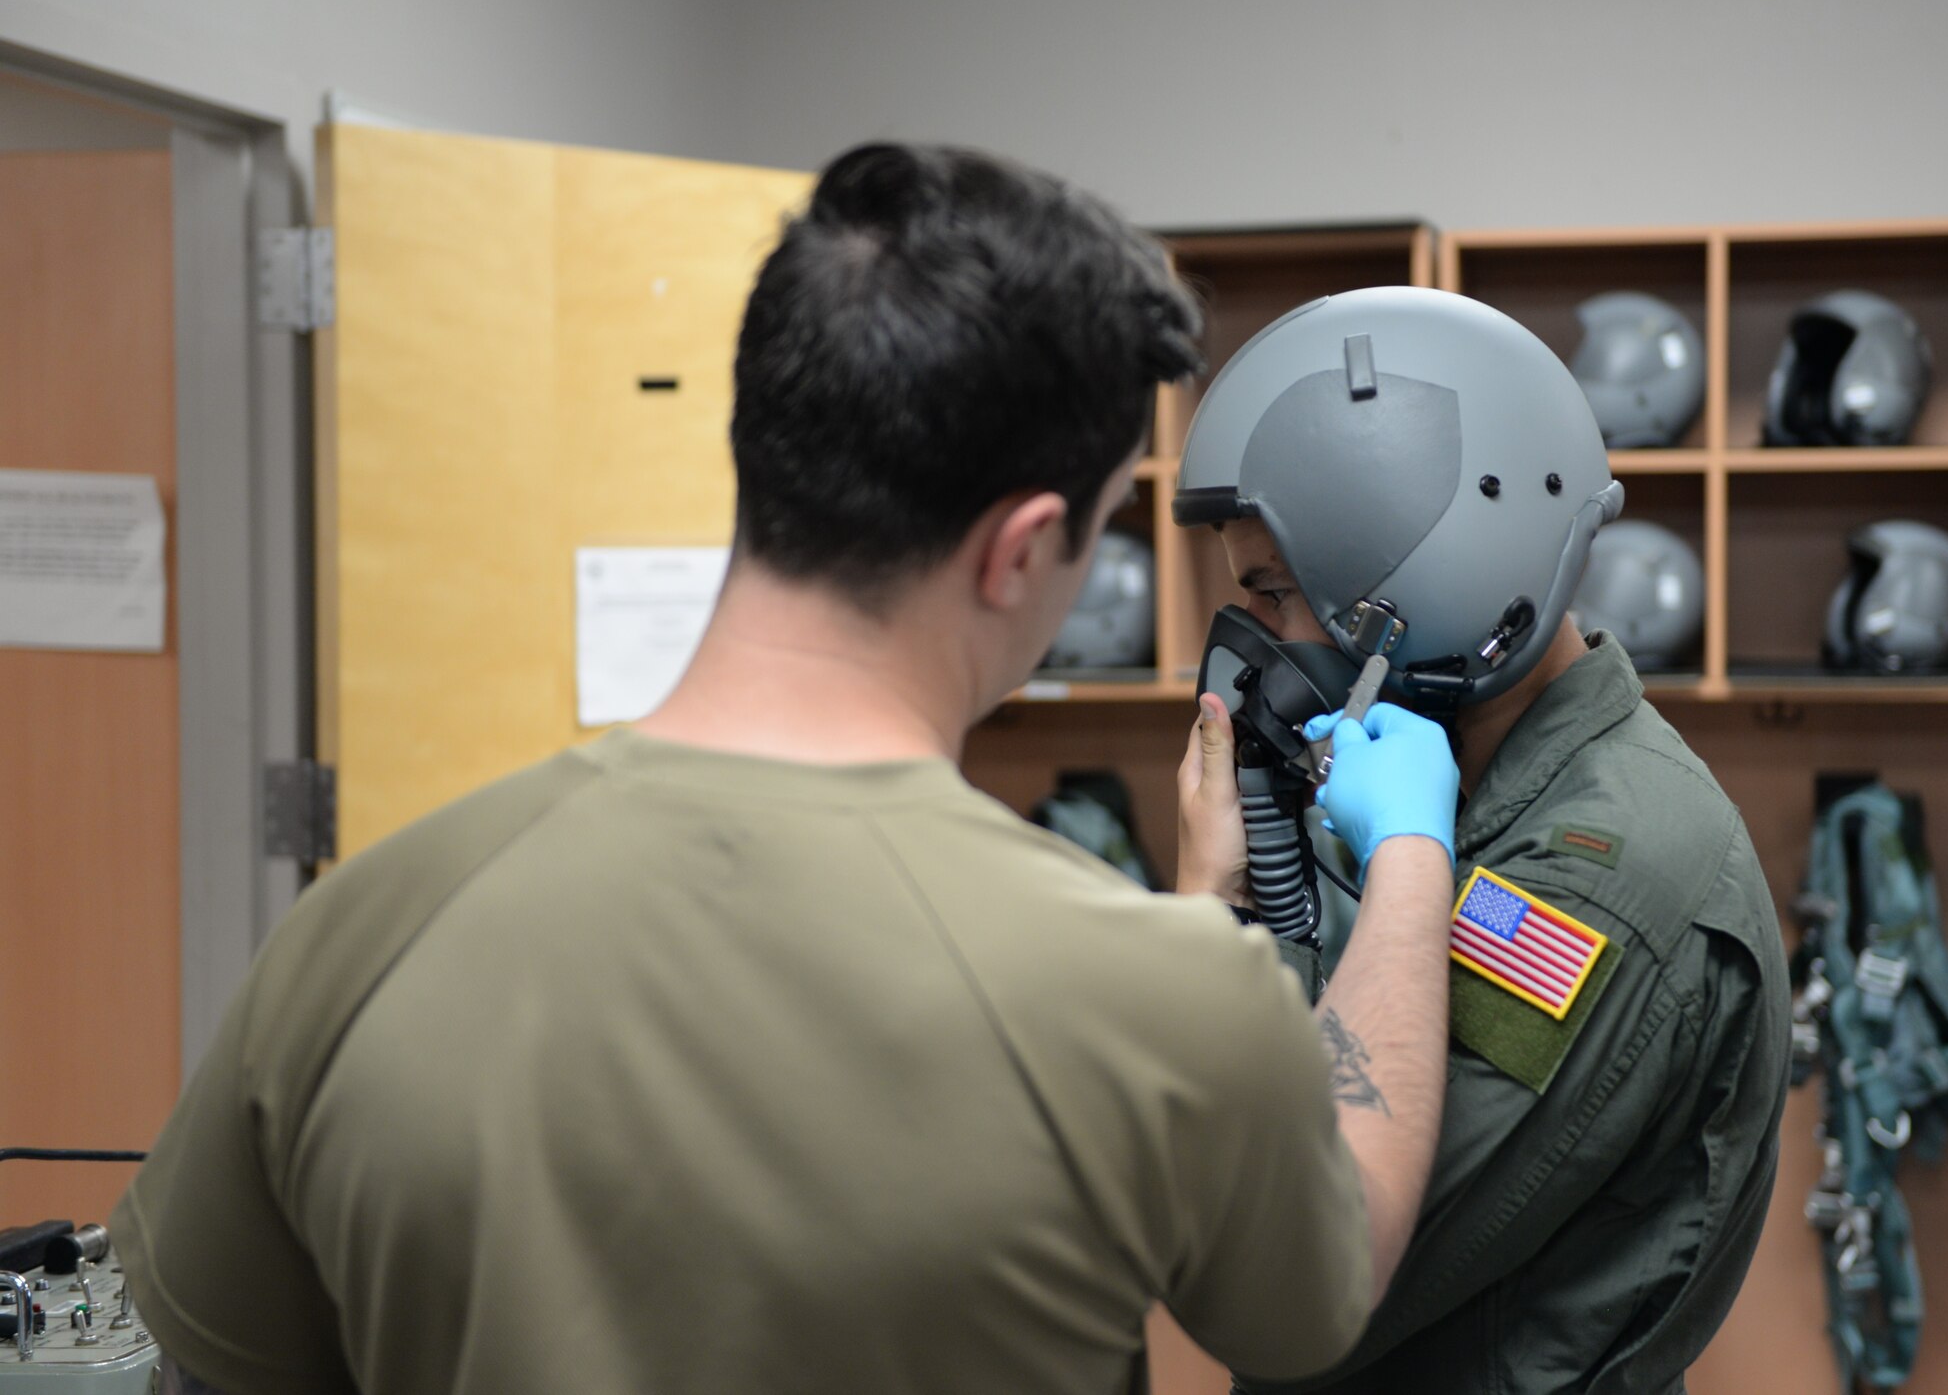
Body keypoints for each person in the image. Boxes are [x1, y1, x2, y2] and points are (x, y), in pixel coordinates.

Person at [113, 144, 1466, 1395]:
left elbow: (204, 1357)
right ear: (1020, 547)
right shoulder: (1166, 996)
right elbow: (1319, 1283)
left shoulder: (357, 931)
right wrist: (1408, 859)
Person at [1172, 287, 1792, 1394]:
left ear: (1432, 573)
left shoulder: (1596, 881)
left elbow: (1288, 1274)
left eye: (1271, 592)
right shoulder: (1422, 781)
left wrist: (1208, 924)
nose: (1243, 640)